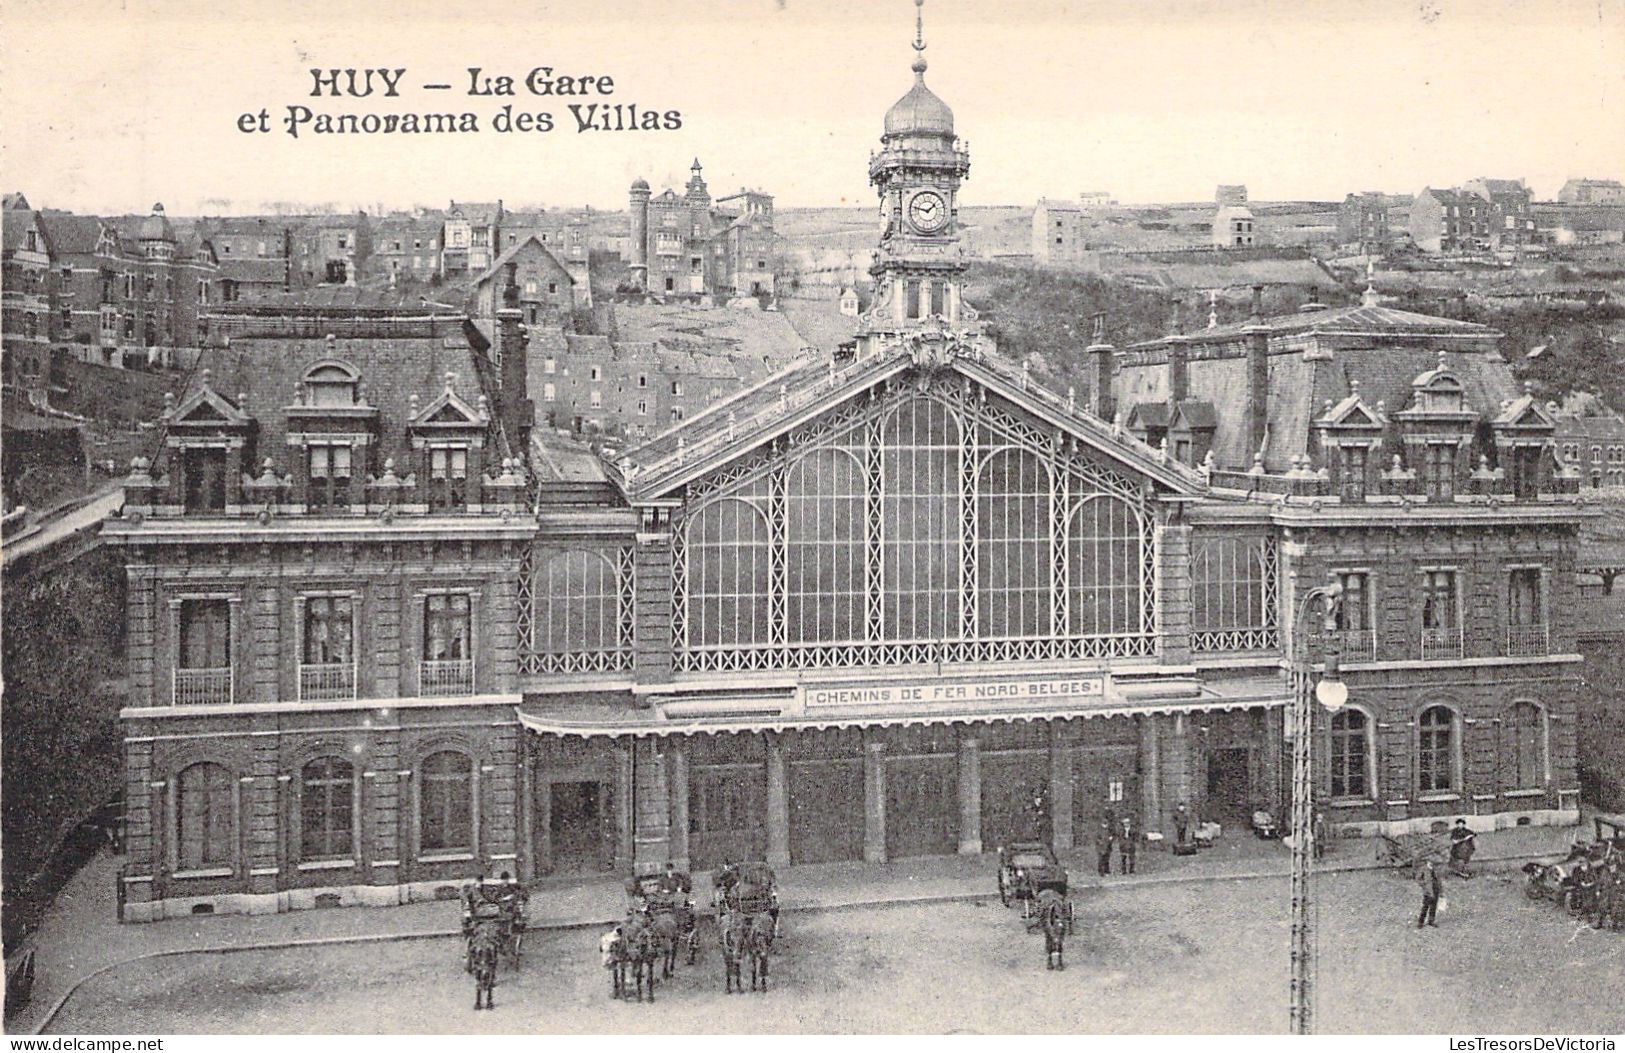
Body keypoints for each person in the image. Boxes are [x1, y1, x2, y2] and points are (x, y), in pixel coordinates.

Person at [1417, 860, 1442, 929]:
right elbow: (1418, 879)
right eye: (1430, 862)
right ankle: (1420, 922)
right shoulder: (1423, 869)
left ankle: (1431, 921)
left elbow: (1439, 880)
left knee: (1433, 907)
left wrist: (1441, 891)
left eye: (1433, 862)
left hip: (1435, 890)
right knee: (1425, 907)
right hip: (1428, 891)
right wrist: (1424, 884)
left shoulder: (1435, 869)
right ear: (1427, 862)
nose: (1432, 863)